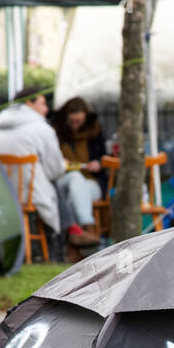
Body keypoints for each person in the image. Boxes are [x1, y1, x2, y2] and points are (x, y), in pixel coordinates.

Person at [0, 86, 66, 260]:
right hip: (30, 196)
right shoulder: (42, 129)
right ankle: (59, 246)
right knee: (57, 185)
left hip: (3, 194)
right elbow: (56, 170)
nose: (46, 109)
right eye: (43, 103)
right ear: (29, 103)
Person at [52, 97, 107, 252]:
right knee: (75, 178)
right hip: (64, 180)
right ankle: (89, 228)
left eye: (78, 121)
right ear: (66, 119)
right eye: (72, 121)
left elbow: (103, 156)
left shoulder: (95, 132)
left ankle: (75, 249)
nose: (75, 125)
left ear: (85, 119)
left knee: (72, 199)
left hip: (91, 181)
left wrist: (98, 163)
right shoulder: (56, 133)